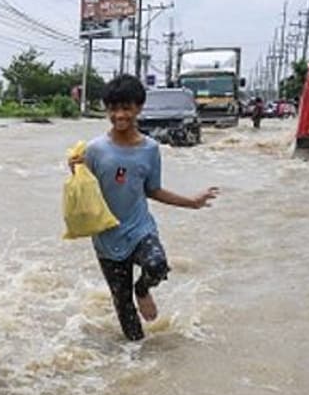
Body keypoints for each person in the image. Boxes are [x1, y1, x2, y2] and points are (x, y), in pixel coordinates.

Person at [69, 74, 220, 341]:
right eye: (113, 109)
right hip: (106, 237)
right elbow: (83, 193)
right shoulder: (94, 150)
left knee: (157, 265)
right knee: (123, 307)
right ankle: (136, 358)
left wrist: (192, 202)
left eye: (126, 108)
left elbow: (153, 190)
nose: (119, 115)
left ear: (139, 108)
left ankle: (143, 290)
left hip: (140, 229)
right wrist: (75, 171)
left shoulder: (150, 149)